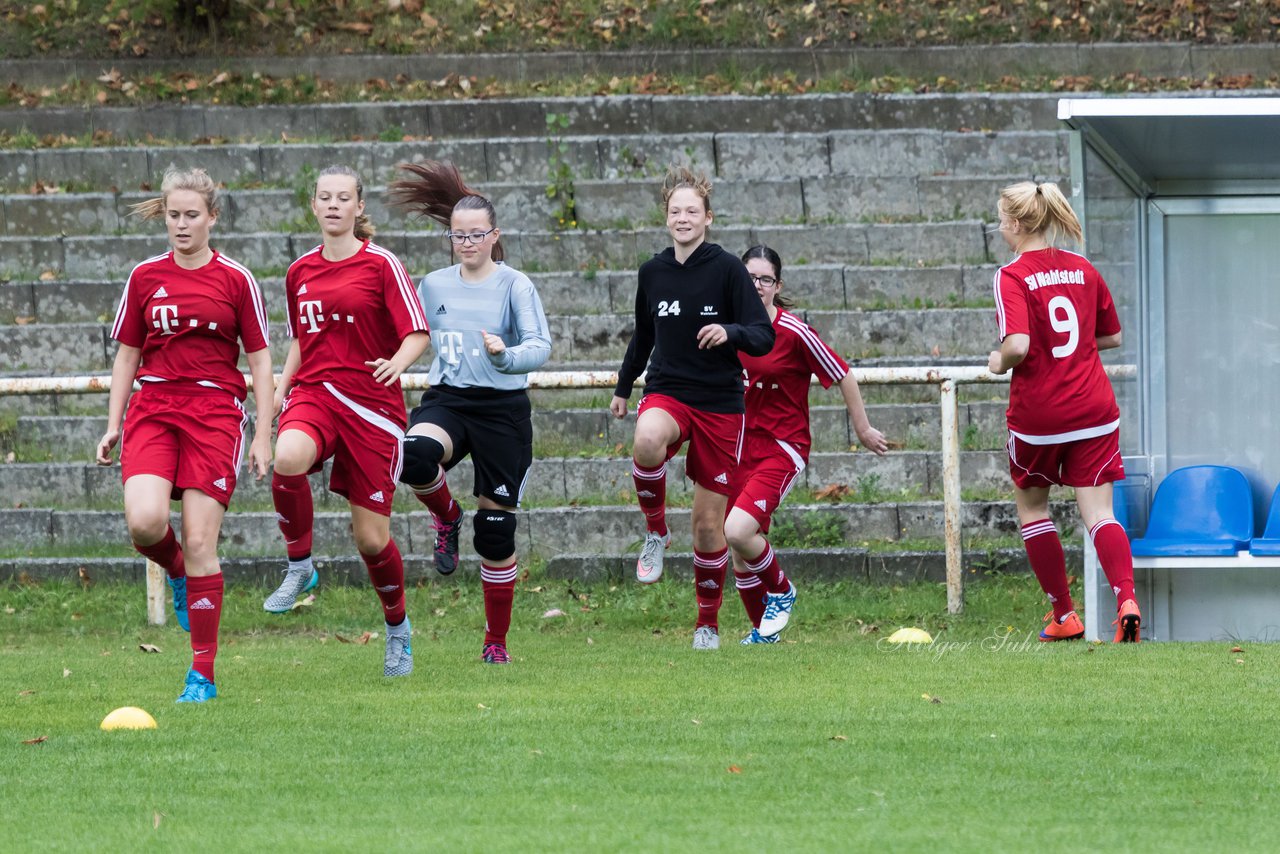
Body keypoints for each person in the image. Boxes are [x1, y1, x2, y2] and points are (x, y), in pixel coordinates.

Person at [96, 166, 273, 703]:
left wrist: (264, 433)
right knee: (146, 524)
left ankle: (202, 673)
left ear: (212, 217)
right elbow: (127, 353)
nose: (181, 224)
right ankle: (175, 571)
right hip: (154, 407)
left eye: (191, 215)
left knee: (200, 540)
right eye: (173, 215)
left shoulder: (236, 279)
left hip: (215, 411)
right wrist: (112, 424)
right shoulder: (145, 276)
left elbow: (262, 362)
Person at [262, 165, 431, 677]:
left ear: (359, 208)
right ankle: (300, 567)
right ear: (312, 206)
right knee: (287, 458)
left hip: (372, 407)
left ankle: (397, 628)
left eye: (344, 198)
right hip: (316, 393)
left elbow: (417, 333)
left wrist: (398, 363)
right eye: (324, 197)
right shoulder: (299, 272)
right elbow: (300, 341)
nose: (334, 205)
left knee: (371, 541)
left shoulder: (382, 264)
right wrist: (279, 390)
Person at [387, 160, 552, 665]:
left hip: (502, 409)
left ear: (493, 235)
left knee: (495, 532)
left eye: (477, 234)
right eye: (459, 235)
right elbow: (411, 334)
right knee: (411, 456)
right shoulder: (433, 285)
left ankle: (495, 642)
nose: (467, 242)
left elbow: (540, 346)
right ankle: (447, 516)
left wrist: (506, 354)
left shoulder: (514, 285)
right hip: (450, 400)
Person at [610, 167, 775, 650]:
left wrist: (731, 332)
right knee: (646, 438)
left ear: (707, 218)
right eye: (674, 210)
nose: (683, 218)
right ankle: (656, 533)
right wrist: (624, 387)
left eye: (691, 211)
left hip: (721, 404)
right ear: (666, 219)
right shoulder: (653, 272)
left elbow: (762, 336)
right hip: (668, 390)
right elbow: (643, 335)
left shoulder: (726, 269)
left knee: (708, 528)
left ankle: (707, 623)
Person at [986, 181, 1140, 643]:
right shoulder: (1082, 267)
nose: (1000, 229)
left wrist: (997, 361)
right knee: (1100, 514)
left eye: (1000, 221)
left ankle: (1064, 615)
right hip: (1094, 408)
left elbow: (1017, 345)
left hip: (1041, 415)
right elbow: (1111, 337)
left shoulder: (1011, 275)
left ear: (1015, 224)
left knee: (1034, 510)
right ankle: (1127, 599)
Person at [725, 245, 889, 645]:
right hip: (736, 447)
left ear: (777, 285)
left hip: (782, 446)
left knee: (737, 530)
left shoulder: (793, 332)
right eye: (749, 278)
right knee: (739, 552)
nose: (757, 286)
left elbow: (843, 374)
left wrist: (863, 429)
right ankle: (764, 637)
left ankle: (781, 590)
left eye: (765, 279)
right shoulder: (726, 329)